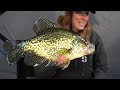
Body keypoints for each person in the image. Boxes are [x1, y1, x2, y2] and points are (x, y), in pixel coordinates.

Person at [17, 11, 109, 79]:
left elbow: (101, 67)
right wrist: (54, 64)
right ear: (70, 13)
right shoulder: (54, 32)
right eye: (80, 12)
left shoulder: (94, 37)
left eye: (87, 13)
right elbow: (40, 74)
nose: (84, 17)